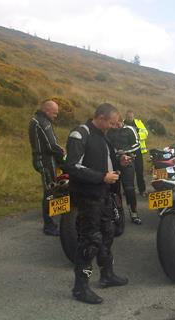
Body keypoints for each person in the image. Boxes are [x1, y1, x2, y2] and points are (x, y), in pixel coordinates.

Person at [64, 103, 131, 304]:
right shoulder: (80, 134)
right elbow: (71, 166)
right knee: (89, 241)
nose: (112, 126)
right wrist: (102, 177)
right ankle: (80, 287)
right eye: (111, 122)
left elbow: (106, 161)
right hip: (87, 196)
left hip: (103, 195)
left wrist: (121, 162)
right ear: (100, 117)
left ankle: (107, 275)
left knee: (107, 235)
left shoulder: (103, 135)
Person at [28, 100, 65, 236]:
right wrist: (63, 154)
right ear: (47, 110)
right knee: (50, 192)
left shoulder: (39, 120)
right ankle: (49, 226)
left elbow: (50, 143)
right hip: (46, 161)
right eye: (54, 113)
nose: (56, 116)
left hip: (45, 160)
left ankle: (55, 218)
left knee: (54, 189)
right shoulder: (42, 122)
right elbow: (51, 146)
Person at [107, 119, 142, 224]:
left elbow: (137, 144)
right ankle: (117, 213)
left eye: (118, 123)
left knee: (129, 188)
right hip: (114, 162)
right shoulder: (109, 131)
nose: (116, 125)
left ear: (122, 121)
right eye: (114, 123)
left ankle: (134, 213)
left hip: (128, 161)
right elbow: (106, 145)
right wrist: (116, 153)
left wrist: (125, 152)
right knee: (114, 189)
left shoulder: (129, 129)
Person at [124, 110, 148, 197]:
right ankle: (128, 190)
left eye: (131, 117)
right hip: (127, 152)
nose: (130, 118)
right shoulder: (122, 124)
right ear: (125, 116)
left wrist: (137, 133)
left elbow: (145, 133)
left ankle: (142, 190)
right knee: (128, 172)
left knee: (139, 171)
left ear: (133, 116)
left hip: (138, 150)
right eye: (128, 117)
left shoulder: (139, 123)